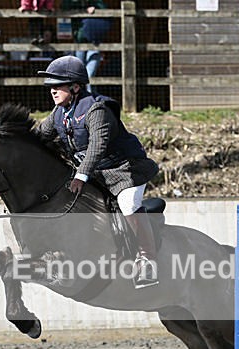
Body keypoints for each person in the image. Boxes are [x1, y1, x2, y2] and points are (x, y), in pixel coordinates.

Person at [34, 56, 160, 289]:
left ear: (75, 86)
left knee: (127, 204)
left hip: (125, 170)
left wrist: (81, 175)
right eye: (50, 85)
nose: (52, 90)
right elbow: (38, 137)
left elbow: (97, 145)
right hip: (97, 173)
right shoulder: (59, 113)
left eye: (58, 84)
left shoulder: (97, 109)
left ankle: (147, 259)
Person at [63, 0, 110, 94]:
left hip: (95, 41)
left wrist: (95, 7)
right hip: (80, 40)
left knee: (89, 73)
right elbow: (65, 6)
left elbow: (104, 8)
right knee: (79, 71)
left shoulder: (97, 2)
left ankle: (88, 99)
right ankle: (87, 98)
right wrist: (82, 8)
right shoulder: (72, 2)